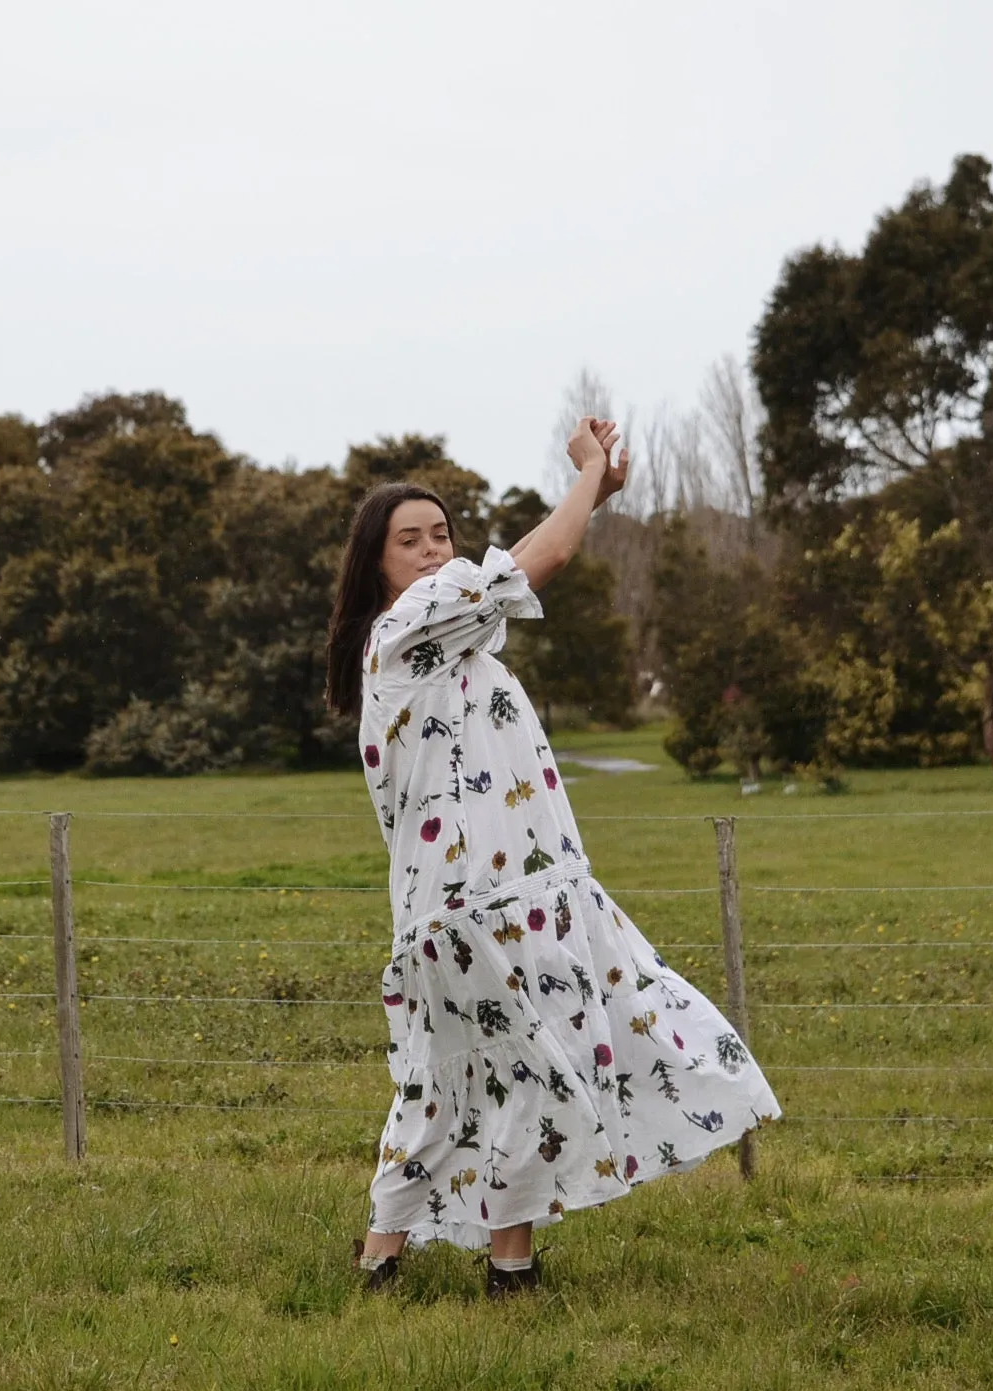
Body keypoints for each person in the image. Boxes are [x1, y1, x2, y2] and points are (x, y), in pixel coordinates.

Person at [325, 417, 781, 1297]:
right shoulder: (417, 619)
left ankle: (380, 1264)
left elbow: (522, 558)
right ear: (375, 562)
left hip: (457, 903)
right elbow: (547, 561)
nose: (429, 551)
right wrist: (585, 476)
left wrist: (594, 495)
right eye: (406, 541)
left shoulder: (435, 632)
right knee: (531, 1070)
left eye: (440, 535)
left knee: (446, 1082)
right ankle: (510, 1272)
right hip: (490, 899)